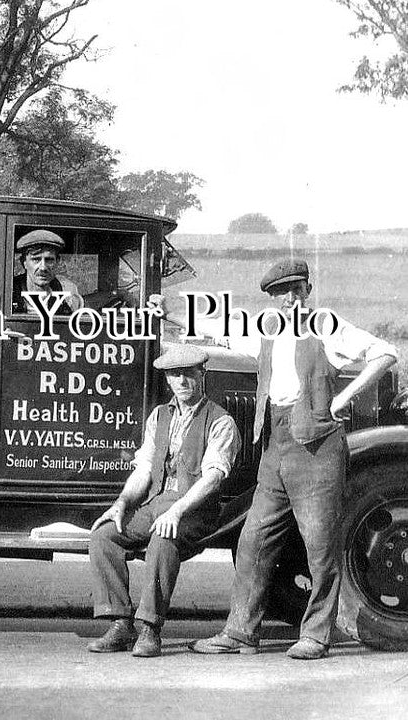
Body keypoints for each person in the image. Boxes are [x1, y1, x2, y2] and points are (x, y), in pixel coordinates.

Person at [172, 258, 398, 659]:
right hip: (274, 447)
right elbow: (223, 334)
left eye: (297, 289)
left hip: (316, 448)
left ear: (307, 292)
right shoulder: (266, 331)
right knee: (253, 541)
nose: (289, 298)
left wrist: (344, 398)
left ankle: (315, 636)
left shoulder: (326, 325)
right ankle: (240, 633)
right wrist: (169, 309)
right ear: (271, 300)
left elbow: (384, 352)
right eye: (281, 293)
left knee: (320, 545)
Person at [87, 344, 240, 657]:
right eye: (174, 374)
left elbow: (213, 478)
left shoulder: (221, 421)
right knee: (103, 535)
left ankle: (150, 628)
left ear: (203, 374)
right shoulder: (160, 416)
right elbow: (144, 468)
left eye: (188, 373)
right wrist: (122, 502)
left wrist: (178, 510)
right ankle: (120, 624)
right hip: (156, 502)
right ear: (168, 379)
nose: (181, 380)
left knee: (163, 537)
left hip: (194, 509)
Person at [11, 229, 84, 314]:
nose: (43, 267)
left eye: (49, 260)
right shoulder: (10, 292)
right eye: (36, 260)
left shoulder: (68, 293)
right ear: (24, 263)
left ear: (57, 262)